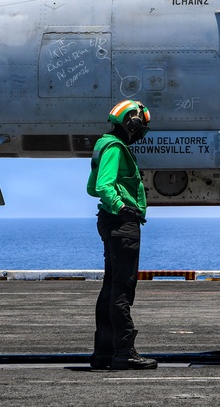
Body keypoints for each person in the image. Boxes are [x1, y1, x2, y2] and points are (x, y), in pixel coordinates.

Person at [86, 99, 157, 371]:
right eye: (141, 125)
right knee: (122, 291)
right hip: (121, 224)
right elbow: (103, 185)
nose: (141, 131)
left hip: (110, 221)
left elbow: (93, 187)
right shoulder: (115, 148)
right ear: (132, 121)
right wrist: (122, 207)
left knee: (110, 289)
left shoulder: (105, 144)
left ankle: (104, 353)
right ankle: (124, 352)